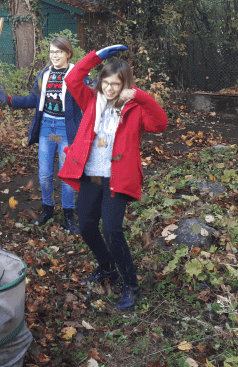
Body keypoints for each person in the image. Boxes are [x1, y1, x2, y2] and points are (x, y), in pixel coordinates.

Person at [58, 45, 167, 311]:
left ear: (125, 85)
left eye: (115, 84)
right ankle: (107, 268)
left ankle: (131, 285)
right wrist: (98, 56)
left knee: (113, 230)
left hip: (117, 177)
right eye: (105, 83)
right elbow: (71, 79)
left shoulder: (134, 108)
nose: (108, 89)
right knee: (85, 226)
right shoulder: (91, 100)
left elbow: (160, 124)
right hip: (91, 175)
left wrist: (139, 96)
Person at [2, 37, 83, 232]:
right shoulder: (44, 74)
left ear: (68, 54)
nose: (54, 56)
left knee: (67, 175)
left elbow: (87, 98)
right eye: (52, 52)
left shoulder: (77, 74)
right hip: (47, 126)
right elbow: (33, 99)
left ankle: (68, 216)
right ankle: (47, 210)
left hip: (66, 128)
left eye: (59, 52)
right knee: (45, 174)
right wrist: (10, 100)